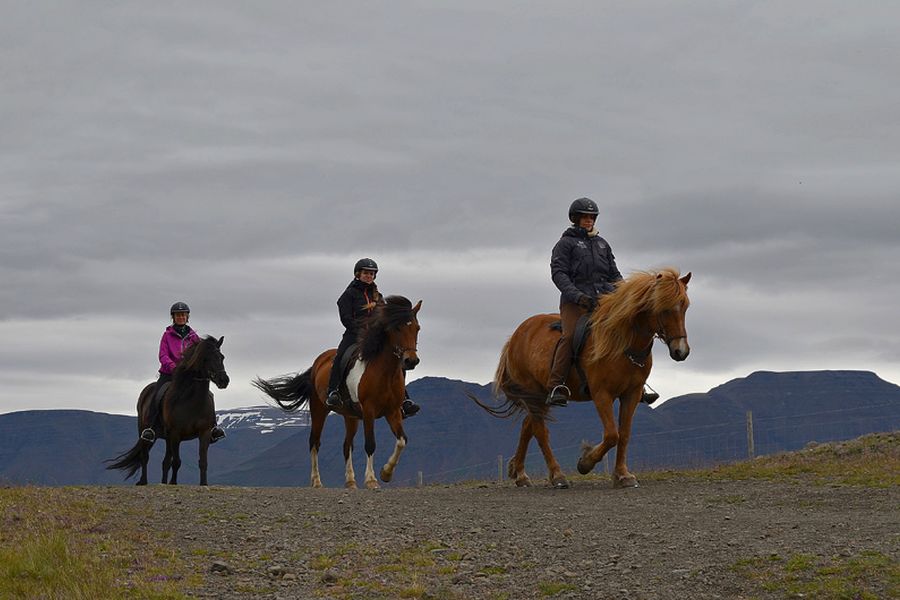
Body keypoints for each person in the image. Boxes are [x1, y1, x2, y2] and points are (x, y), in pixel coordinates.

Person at [546, 198, 660, 407]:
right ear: (575, 218)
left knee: (628, 329)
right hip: (575, 302)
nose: (588, 220)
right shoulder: (565, 244)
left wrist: (626, 294)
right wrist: (577, 295)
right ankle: (557, 385)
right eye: (584, 217)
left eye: (591, 217)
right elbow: (559, 274)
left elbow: (614, 274)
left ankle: (637, 384)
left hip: (604, 300)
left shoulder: (602, 244)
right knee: (571, 336)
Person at [324, 258, 421, 418]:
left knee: (396, 357)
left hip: (375, 337)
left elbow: (384, 317)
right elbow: (345, 318)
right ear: (358, 274)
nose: (368, 276)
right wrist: (361, 329)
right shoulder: (349, 295)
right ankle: (333, 391)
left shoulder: (378, 296)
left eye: (371, 274)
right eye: (366, 273)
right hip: (353, 335)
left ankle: (404, 399)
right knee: (342, 356)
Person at [140, 302, 227, 443]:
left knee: (208, 395)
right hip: (169, 374)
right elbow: (163, 356)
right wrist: (173, 367)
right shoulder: (166, 336)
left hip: (187, 376)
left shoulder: (193, 337)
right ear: (173, 317)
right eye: (178, 315)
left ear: (187, 317)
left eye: (183, 315)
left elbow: (199, 355)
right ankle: (150, 428)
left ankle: (213, 428)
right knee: (158, 394)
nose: (181, 317)